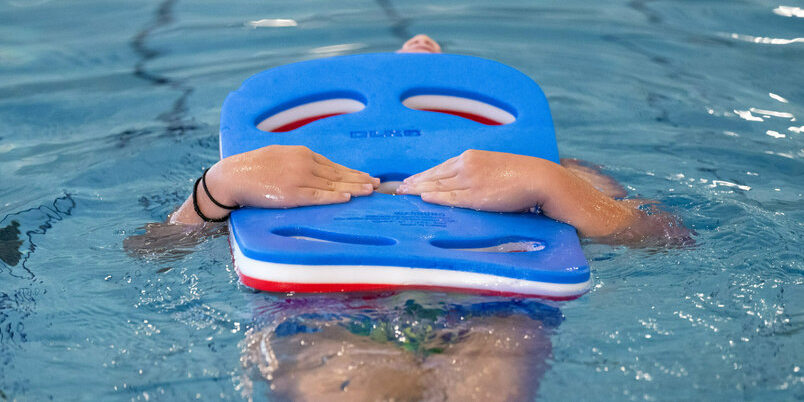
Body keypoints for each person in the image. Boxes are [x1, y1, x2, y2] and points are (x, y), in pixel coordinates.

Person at [129, 34, 691, 402]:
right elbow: (151, 253)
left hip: (498, 305)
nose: (419, 44)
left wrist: (553, 185)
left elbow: (669, 241)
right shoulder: (270, 168)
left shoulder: (551, 166)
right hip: (325, 307)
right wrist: (216, 188)